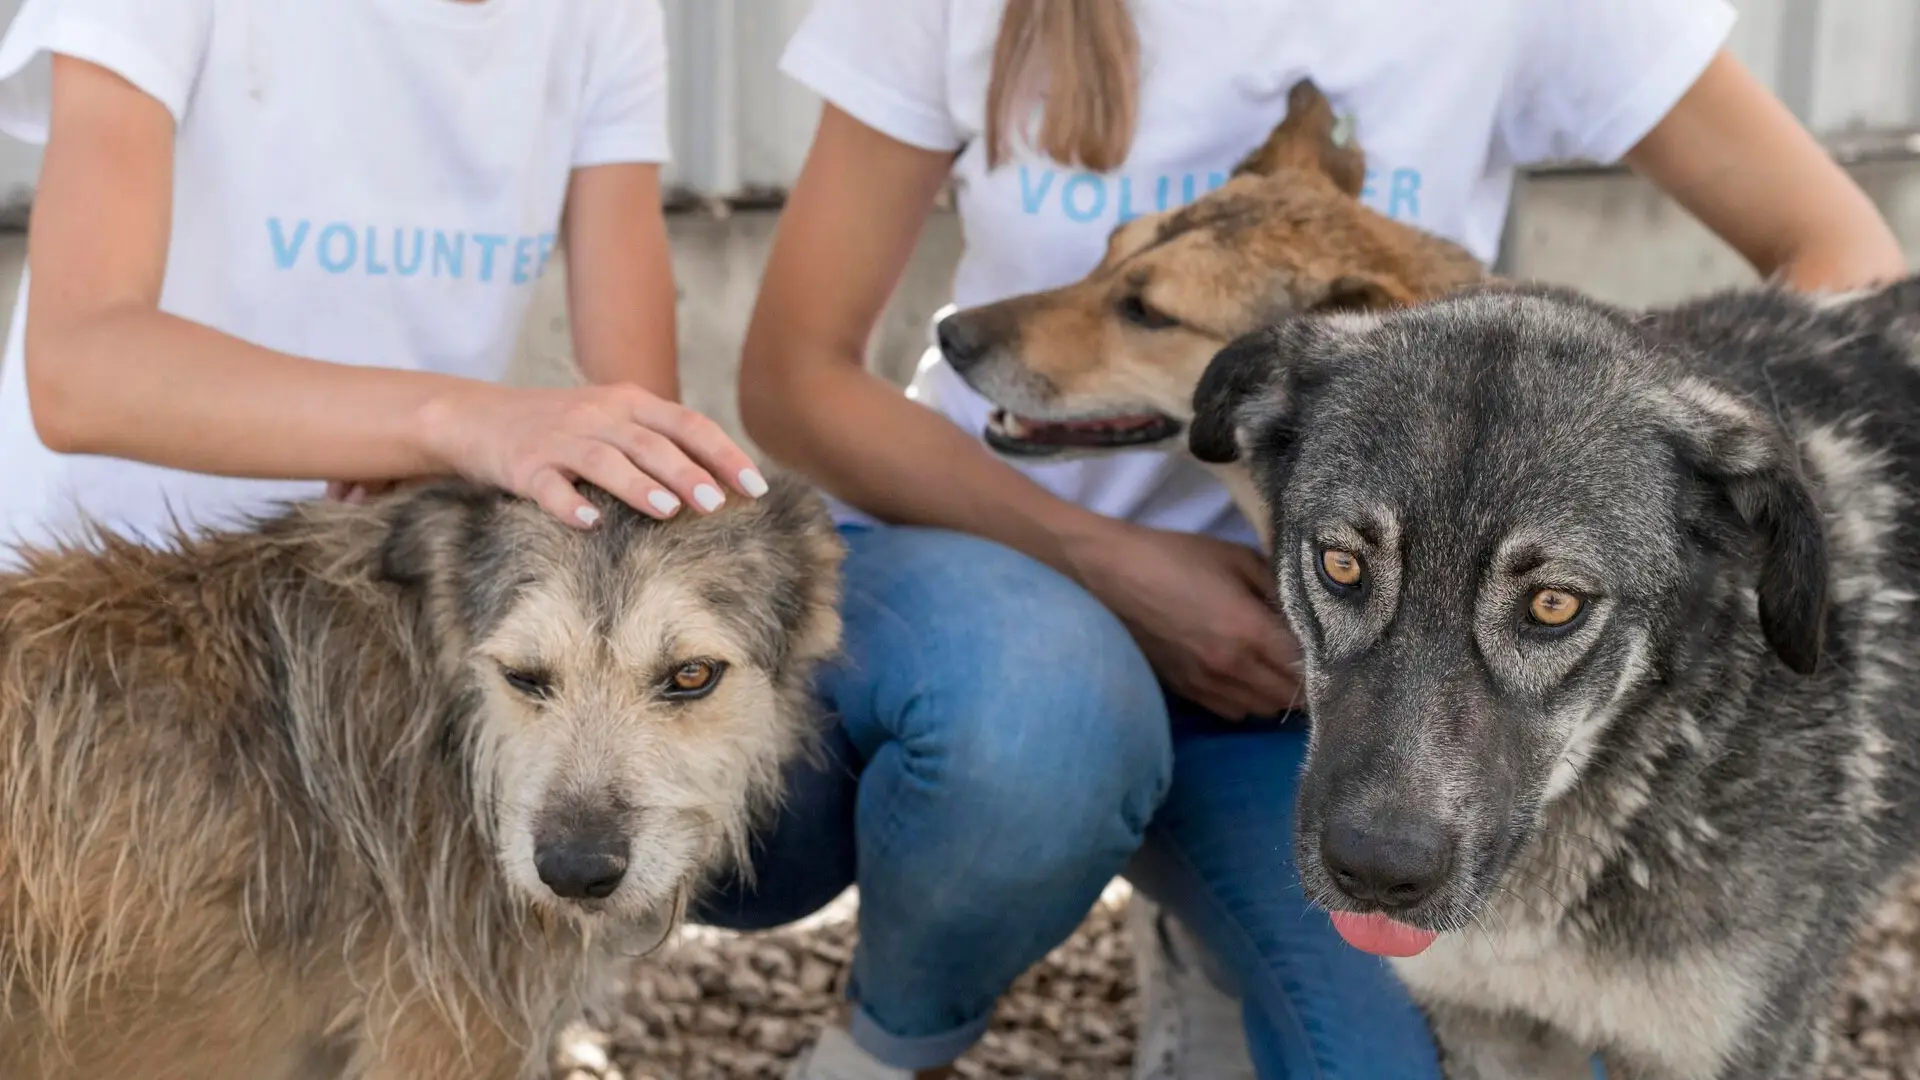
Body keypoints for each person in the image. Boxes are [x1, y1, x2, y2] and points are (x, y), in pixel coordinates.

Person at [695, 1, 1909, 1078]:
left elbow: (1849, 262)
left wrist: (1613, 447)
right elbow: (793, 373)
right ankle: (890, 1038)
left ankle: (1207, 916)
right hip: (1006, 611)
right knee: (1038, 718)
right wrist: (1116, 566)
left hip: (1300, 672)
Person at [0, 0, 764, 568]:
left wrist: (494, 444)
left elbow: (632, 435)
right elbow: (78, 371)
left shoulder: (604, 15)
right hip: (101, 616)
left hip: (378, 617)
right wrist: (457, 423)